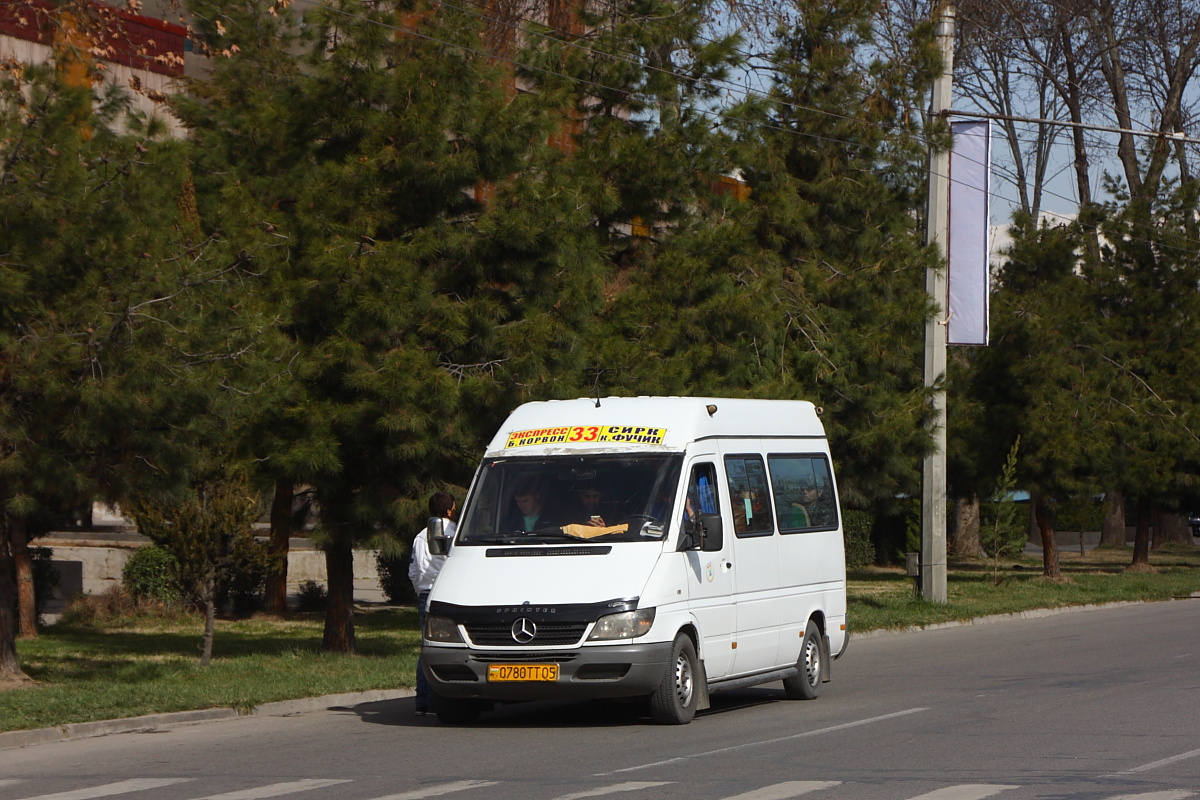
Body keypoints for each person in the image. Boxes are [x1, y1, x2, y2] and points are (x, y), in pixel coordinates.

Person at [409, 491, 456, 716]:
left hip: (424, 593)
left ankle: (422, 702)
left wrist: (421, 589)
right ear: (450, 509)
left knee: (426, 648)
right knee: (445, 648)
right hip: (446, 594)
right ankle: (437, 698)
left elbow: (414, 570)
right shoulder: (455, 533)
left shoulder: (420, 536)